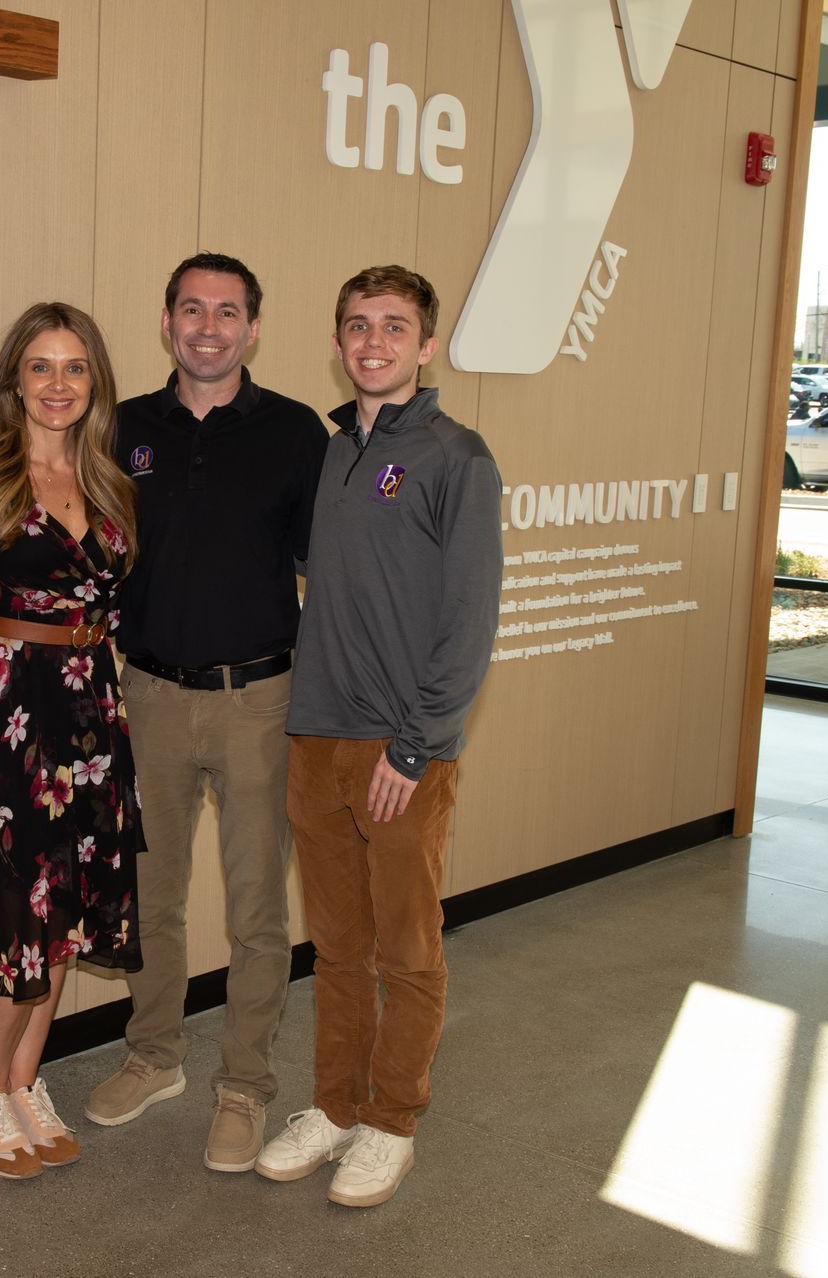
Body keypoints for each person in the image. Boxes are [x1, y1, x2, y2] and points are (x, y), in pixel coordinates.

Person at [254, 265, 501, 1208]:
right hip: (314, 735)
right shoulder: (327, 455)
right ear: (337, 339)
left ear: (426, 345)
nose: (374, 343)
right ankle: (334, 1107)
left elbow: (470, 619)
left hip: (402, 751)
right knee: (340, 948)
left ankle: (393, 1121)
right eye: (358, 325)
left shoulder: (456, 457)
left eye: (395, 327)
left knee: (409, 950)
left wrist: (416, 744)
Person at [84, 253, 327, 1173]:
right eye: (193, 309)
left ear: (253, 328)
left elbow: (330, 575)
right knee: (153, 896)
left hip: (261, 699)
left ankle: (245, 1086)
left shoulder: (297, 433)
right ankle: (155, 1057)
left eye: (229, 312)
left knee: (259, 907)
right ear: (167, 320)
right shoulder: (122, 429)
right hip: (146, 693)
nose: (210, 327)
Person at [0, 301, 144, 1180]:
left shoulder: (112, 487)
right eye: (41, 367)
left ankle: (22, 1085)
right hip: (4, 720)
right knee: (8, 912)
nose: (58, 384)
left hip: (90, 718)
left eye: (75, 367)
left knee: (63, 914)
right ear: (15, 379)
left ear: (96, 383)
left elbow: (112, 613)